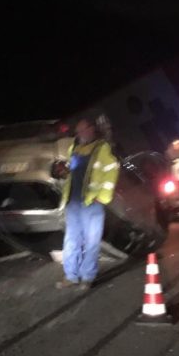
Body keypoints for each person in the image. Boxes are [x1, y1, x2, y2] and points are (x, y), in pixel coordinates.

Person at [56, 117, 119, 290]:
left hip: (92, 203)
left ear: (92, 129)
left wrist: (103, 198)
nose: (80, 134)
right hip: (74, 203)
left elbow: (112, 170)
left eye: (83, 130)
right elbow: (72, 171)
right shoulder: (74, 148)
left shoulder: (101, 148)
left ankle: (87, 277)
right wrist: (64, 171)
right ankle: (71, 276)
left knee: (91, 242)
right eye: (78, 131)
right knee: (71, 240)